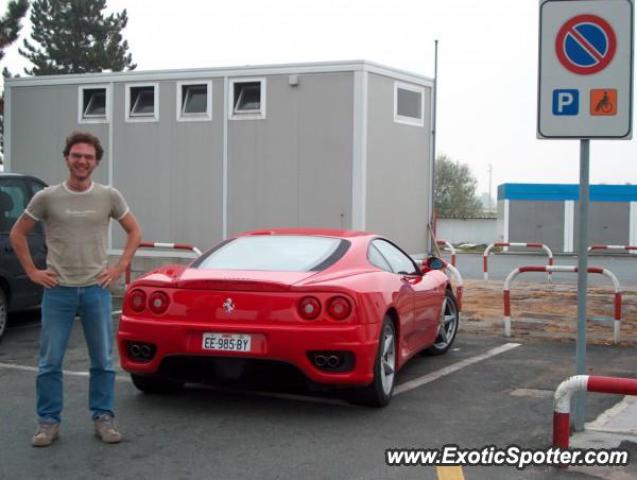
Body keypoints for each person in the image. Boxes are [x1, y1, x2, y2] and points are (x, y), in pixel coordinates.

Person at [10, 131, 142, 447]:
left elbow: (134, 231)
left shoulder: (109, 196)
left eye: (88, 157)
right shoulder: (47, 197)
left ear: (96, 162)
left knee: (102, 361)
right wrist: (32, 271)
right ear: (67, 158)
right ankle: (48, 423)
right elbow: (17, 234)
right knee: (50, 361)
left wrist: (119, 266)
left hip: (96, 289)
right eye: (76, 155)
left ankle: (103, 418)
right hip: (58, 291)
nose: (82, 161)